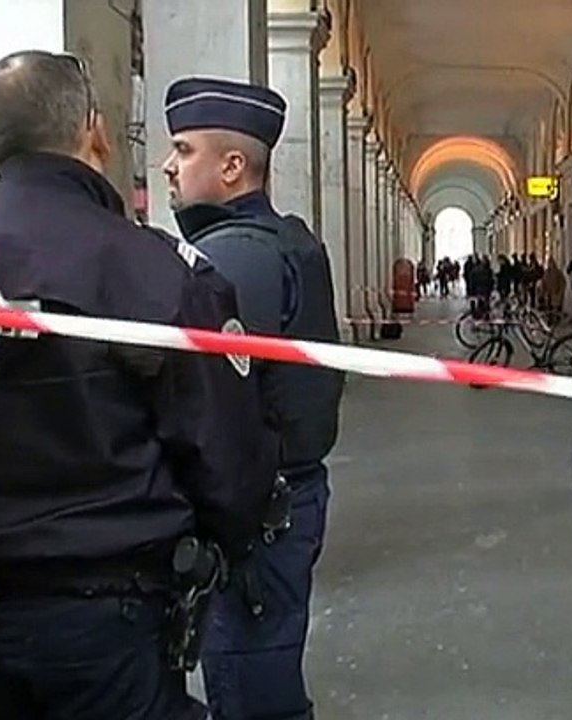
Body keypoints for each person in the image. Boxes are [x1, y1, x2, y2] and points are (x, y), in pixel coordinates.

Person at [0, 50, 275, 720]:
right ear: (94, 131)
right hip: (103, 612)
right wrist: (234, 537)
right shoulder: (146, 270)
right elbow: (219, 448)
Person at [160, 75, 345, 720]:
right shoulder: (288, 240)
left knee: (246, 680)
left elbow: (211, 406)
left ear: (233, 166)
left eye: (183, 150)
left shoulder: (231, 259)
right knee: (266, 666)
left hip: (254, 516)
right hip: (289, 496)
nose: (167, 165)